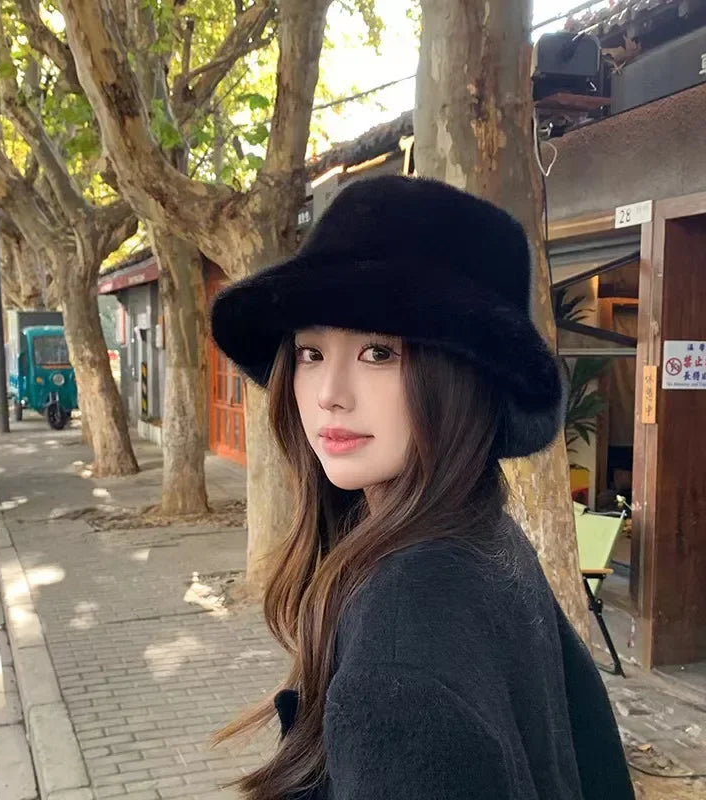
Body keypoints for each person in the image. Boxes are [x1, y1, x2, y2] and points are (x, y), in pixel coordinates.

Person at [210, 175, 635, 800]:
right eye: (310, 353)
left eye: (379, 353)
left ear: (461, 376)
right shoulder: (483, 536)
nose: (330, 394)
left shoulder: (399, 663)